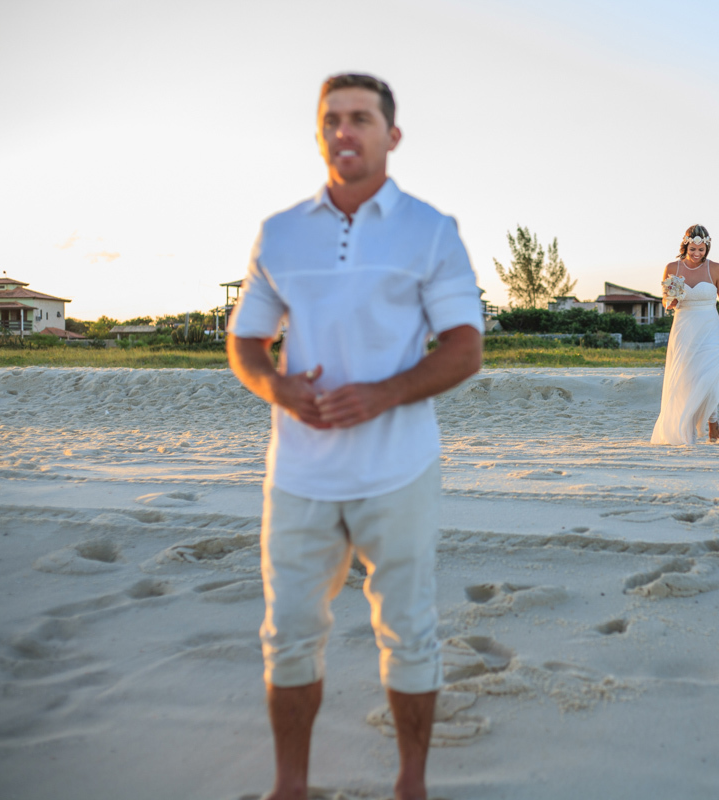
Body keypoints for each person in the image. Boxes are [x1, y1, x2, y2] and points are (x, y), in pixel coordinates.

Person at [226, 73, 483, 800]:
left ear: (391, 136)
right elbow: (246, 342)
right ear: (318, 134)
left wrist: (383, 393)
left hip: (399, 471)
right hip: (299, 475)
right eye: (332, 119)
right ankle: (290, 789)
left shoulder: (430, 229)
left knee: (409, 632)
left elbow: (465, 349)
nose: (346, 131)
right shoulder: (281, 232)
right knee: (290, 634)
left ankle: (411, 785)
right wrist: (276, 386)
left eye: (362, 119)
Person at [650, 224, 719, 445]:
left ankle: (712, 419)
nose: (696, 254)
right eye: (693, 249)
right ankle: (685, 429)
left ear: (707, 248)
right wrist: (670, 302)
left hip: (709, 326)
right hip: (684, 327)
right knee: (686, 378)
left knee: (708, 375)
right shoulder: (672, 267)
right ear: (685, 246)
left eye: (701, 250)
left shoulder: (716, 269)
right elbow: (665, 301)